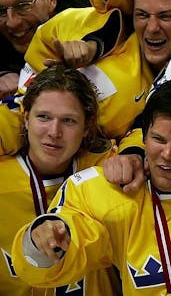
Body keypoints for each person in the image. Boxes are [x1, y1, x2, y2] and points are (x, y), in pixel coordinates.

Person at [11, 79, 171, 295]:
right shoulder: (110, 188)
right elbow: (75, 233)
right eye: (158, 139)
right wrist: (41, 239)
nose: (168, 154)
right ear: (144, 138)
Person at [20, 0, 171, 141]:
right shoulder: (76, 26)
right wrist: (55, 77)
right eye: (142, 15)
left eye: (165, 16)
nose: (152, 28)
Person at [0, 65, 118, 295]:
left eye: (68, 121)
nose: (54, 132)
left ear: (86, 127)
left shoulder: (106, 169)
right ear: (25, 118)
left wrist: (135, 151)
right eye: (43, 117)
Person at [0, 0, 90, 98]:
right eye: (1, 10)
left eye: (23, 6)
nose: (12, 22)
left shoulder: (91, 6)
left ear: (50, 0)